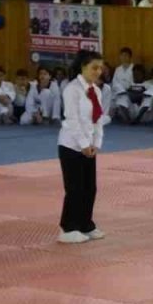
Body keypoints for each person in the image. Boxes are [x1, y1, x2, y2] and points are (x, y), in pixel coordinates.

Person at [57, 50, 109, 245]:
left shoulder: (95, 90)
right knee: (75, 188)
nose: (98, 71)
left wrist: (96, 143)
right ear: (83, 67)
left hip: (89, 146)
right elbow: (72, 120)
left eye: (100, 68)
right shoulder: (72, 89)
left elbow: (98, 119)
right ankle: (68, 228)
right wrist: (84, 144)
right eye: (94, 67)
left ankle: (86, 223)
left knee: (90, 188)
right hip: (71, 145)